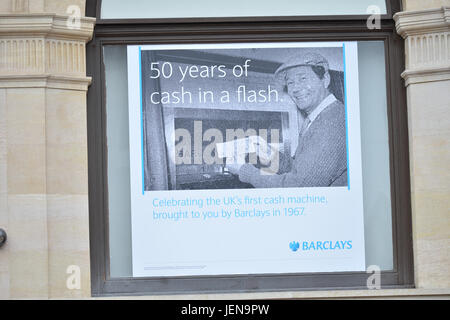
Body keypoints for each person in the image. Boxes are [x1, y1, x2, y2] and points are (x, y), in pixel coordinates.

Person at [226, 52, 348, 188]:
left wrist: (244, 171)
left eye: (303, 79)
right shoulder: (319, 118)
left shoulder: (331, 120)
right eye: (290, 82)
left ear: (325, 79)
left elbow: (300, 185)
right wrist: (270, 154)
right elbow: (299, 169)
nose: (296, 88)